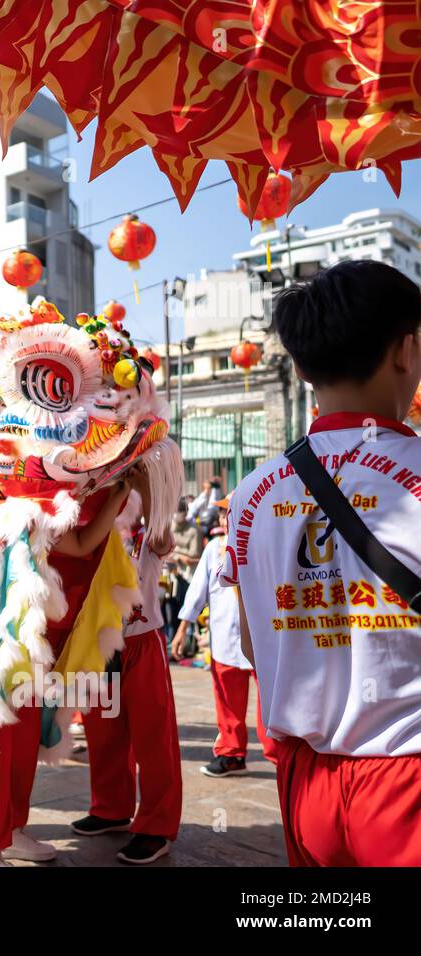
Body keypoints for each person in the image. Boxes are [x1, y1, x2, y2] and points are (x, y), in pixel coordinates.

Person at [223, 260, 421, 866]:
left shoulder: (251, 494)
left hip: (306, 788)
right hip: (408, 778)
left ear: (302, 367)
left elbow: (255, 645)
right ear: (407, 349)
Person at [0, 476, 132, 866]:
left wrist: (119, 492)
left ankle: (13, 829)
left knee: (22, 748)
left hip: (28, 652)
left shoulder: (34, 516)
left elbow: (84, 543)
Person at [72, 469, 183, 864]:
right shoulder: (94, 537)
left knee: (153, 736)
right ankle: (111, 808)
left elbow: (162, 537)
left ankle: (156, 826)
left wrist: (145, 487)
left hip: (142, 644)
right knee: (102, 732)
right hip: (100, 645)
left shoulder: (145, 538)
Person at [174, 498, 276, 776]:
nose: (222, 519)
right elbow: (198, 591)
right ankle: (231, 753)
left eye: (227, 513)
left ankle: (280, 753)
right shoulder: (212, 550)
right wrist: (183, 628)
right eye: (220, 514)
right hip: (224, 641)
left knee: (272, 700)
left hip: (261, 640)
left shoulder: (267, 546)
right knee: (227, 700)